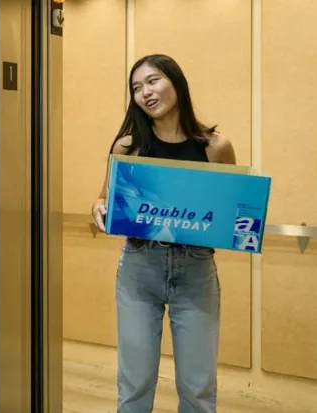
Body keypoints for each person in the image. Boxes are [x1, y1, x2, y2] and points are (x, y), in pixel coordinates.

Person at [91, 54, 237, 413]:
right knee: (135, 383)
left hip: (196, 269)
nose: (145, 92)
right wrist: (98, 207)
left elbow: (231, 210)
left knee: (197, 387)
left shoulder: (215, 146)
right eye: (137, 87)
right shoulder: (128, 147)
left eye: (153, 81)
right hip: (140, 266)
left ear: (176, 82)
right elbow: (103, 198)